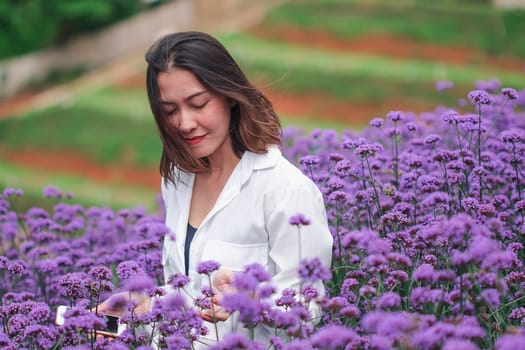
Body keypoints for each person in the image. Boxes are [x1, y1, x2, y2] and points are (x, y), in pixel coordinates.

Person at [99, 31, 333, 348]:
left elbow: (308, 310)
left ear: (229, 95)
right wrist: (145, 306)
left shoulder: (286, 190)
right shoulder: (178, 180)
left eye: (198, 104)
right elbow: (189, 294)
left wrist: (250, 300)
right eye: (170, 111)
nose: (184, 123)